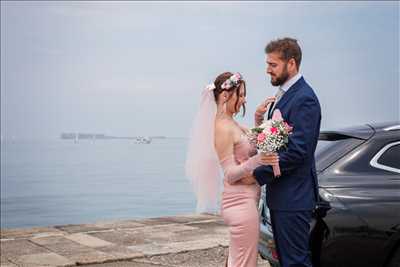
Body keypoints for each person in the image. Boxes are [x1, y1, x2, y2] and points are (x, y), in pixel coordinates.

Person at [186, 71, 279, 267]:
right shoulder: (222, 127)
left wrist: (257, 119)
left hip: (245, 201)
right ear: (226, 95)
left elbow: (248, 149)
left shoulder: (231, 123)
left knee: (238, 261)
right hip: (240, 204)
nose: (244, 100)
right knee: (244, 263)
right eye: (241, 94)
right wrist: (259, 161)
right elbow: (230, 174)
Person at [253, 37, 322, 267]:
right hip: (282, 196)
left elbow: (297, 152)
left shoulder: (305, 99)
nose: (267, 70)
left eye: (273, 65)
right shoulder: (284, 95)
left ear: (291, 63)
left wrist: (255, 174)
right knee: (286, 261)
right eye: (268, 64)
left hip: (294, 197)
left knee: (295, 262)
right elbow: (275, 142)